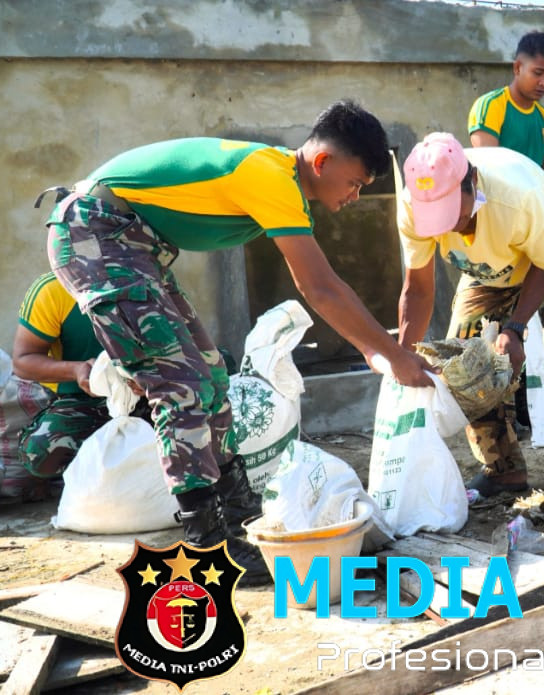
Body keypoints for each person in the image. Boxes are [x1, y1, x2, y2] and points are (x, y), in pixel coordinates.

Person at [39, 99, 434, 583]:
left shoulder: (279, 181)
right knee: (179, 385)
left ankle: (240, 516)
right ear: (323, 162)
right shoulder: (272, 177)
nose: (354, 196)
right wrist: (391, 354)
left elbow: (323, 286)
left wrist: (378, 349)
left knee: (209, 376)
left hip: (133, 242)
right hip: (95, 232)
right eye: (354, 183)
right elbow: (321, 287)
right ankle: (206, 544)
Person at [396, 132, 544, 499]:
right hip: (488, 269)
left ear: (471, 182)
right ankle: (502, 469)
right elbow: (418, 289)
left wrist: (515, 328)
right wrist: (402, 355)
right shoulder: (411, 206)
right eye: (436, 218)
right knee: (460, 359)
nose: (446, 227)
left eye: (451, 213)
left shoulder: (515, 198)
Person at [12, 272, 108, 483]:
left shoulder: (149, 282)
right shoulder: (54, 289)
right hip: (83, 401)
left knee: (189, 435)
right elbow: (23, 360)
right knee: (40, 452)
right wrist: (76, 370)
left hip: (149, 396)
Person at [468, 30, 544, 183]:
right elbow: (491, 172)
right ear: (518, 68)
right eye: (538, 73)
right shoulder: (491, 106)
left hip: (535, 205)